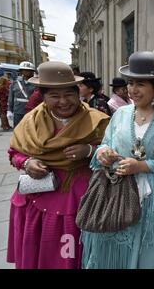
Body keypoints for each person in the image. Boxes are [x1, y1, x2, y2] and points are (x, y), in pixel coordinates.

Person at [81, 51, 154, 269]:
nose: (132, 90)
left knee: (147, 253)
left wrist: (142, 165)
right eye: (130, 83)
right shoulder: (120, 114)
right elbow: (106, 143)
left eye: (141, 84)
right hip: (117, 195)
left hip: (153, 200)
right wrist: (104, 153)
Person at [6, 61, 109, 269]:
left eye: (68, 94)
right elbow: (14, 153)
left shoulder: (97, 121)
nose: (63, 101)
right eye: (54, 96)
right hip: (36, 202)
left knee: (75, 257)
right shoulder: (30, 121)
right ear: (42, 97)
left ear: (77, 92)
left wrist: (88, 150)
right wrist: (27, 162)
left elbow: (113, 152)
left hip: (78, 201)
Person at [7, 61, 36, 127]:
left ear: (33, 72)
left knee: (31, 129)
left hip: (32, 110)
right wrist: (9, 110)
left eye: (29, 70)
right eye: (24, 70)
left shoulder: (37, 84)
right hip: (18, 110)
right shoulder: (15, 84)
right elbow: (11, 98)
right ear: (21, 72)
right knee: (18, 129)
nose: (26, 72)